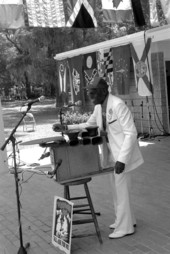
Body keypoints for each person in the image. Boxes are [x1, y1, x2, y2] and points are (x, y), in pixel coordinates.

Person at [52, 77, 144, 239]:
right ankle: (124, 220)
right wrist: (66, 127)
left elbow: (131, 133)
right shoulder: (98, 107)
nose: (90, 97)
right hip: (111, 156)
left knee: (122, 191)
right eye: (89, 93)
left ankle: (125, 228)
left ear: (103, 91)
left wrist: (122, 160)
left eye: (93, 93)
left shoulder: (117, 105)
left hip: (123, 156)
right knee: (117, 191)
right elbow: (88, 125)